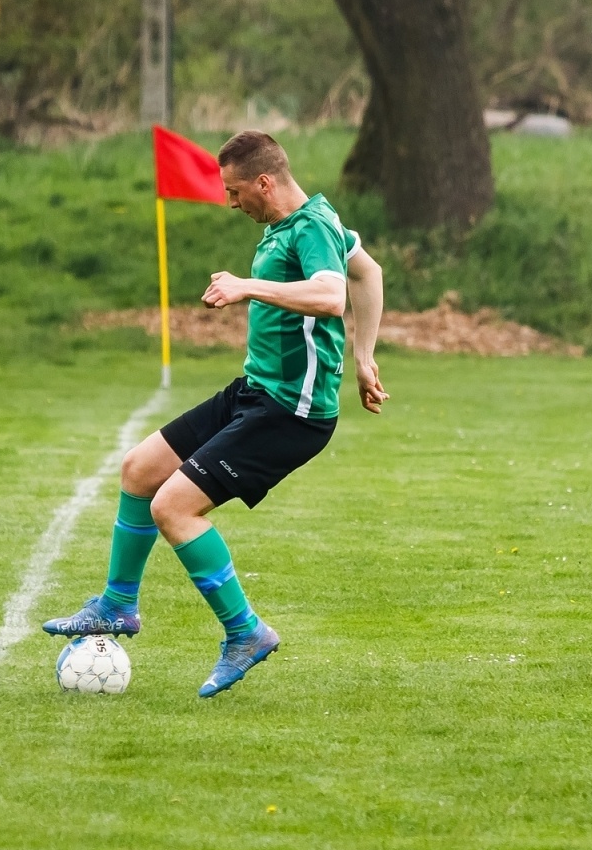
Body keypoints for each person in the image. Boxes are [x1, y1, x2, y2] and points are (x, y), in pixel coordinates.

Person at [43, 130, 387, 697]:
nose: (229, 203)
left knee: (173, 508)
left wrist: (246, 287)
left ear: (265, 182)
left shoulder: (312, 227)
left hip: (291, 414)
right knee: (139, 469)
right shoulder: (300, 223)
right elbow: (368, 273)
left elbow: (332, 295)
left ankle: (245, 633)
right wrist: (365, 358)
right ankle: (117, 605)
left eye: (234, 191)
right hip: (255, 391)